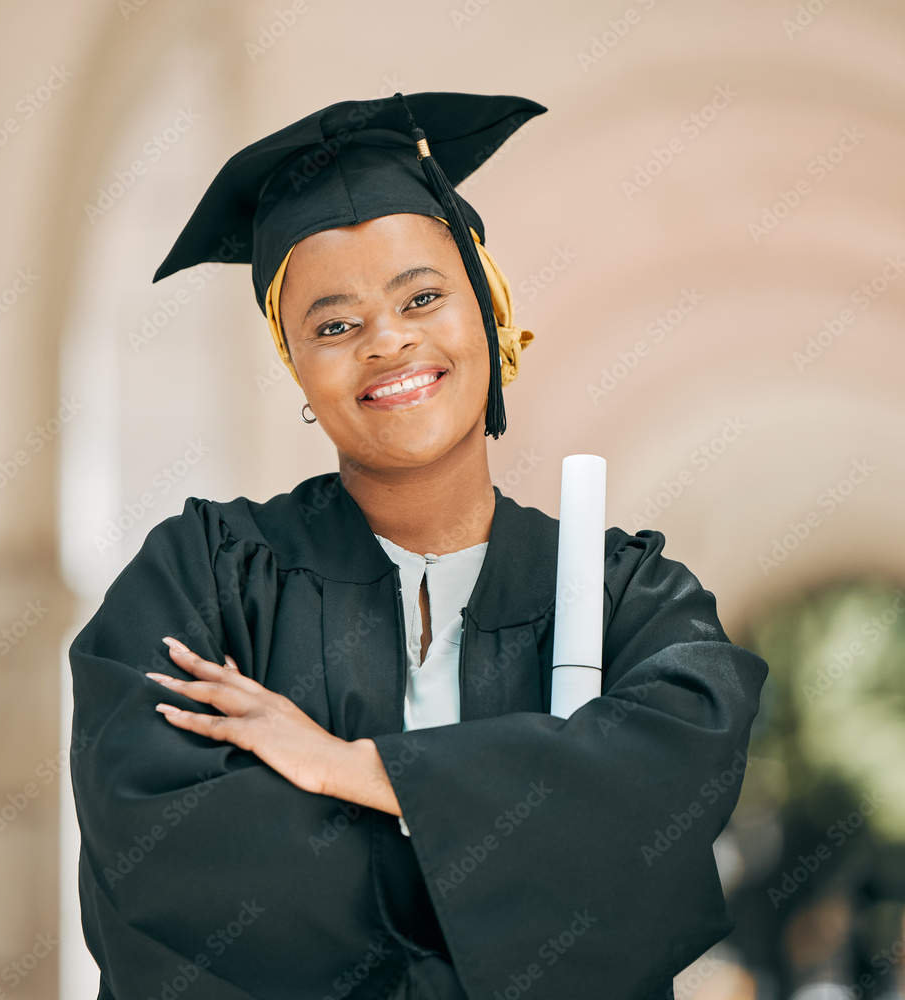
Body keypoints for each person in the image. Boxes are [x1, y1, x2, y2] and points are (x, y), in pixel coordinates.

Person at [68, 91, 769, 1000]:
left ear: (487, 306)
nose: (387, 341)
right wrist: (520, 840)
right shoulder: (202, 576)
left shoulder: (625, 595)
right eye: (332, 324)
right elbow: (163, 861)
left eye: (423, 296)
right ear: (296, 368)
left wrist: (355, 771)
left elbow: (667, 788)